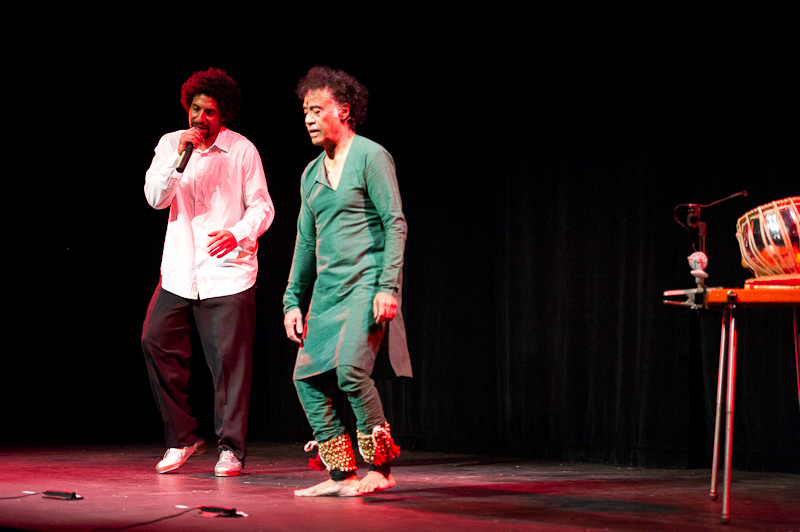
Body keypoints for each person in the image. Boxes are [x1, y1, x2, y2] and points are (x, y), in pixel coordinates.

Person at [283, 65, 411, 497]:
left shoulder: (371, 156)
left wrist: (388, 287)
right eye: (305, 111)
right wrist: (292, 301)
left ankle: (381, 468)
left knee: (352, 371)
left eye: (317, 110)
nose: (309, 119)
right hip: (327, 293)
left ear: (344, 110)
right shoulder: (310, 174)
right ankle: (341, 475)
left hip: (366, 284)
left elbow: (395, 223)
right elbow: (305, 243)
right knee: (306, 379)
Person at [141, 67, 275, 477]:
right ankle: (181, 438)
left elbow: (262, 207)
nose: (201, 118)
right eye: (196, 109)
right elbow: (155, 198)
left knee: (229, 365)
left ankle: (231, 449)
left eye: (210, 112)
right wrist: (177, 160)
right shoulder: (171, 144)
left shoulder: (242, 151)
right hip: (180, 269)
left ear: (223, 115)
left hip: (227, 272)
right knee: (154, 340)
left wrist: (236, 234)